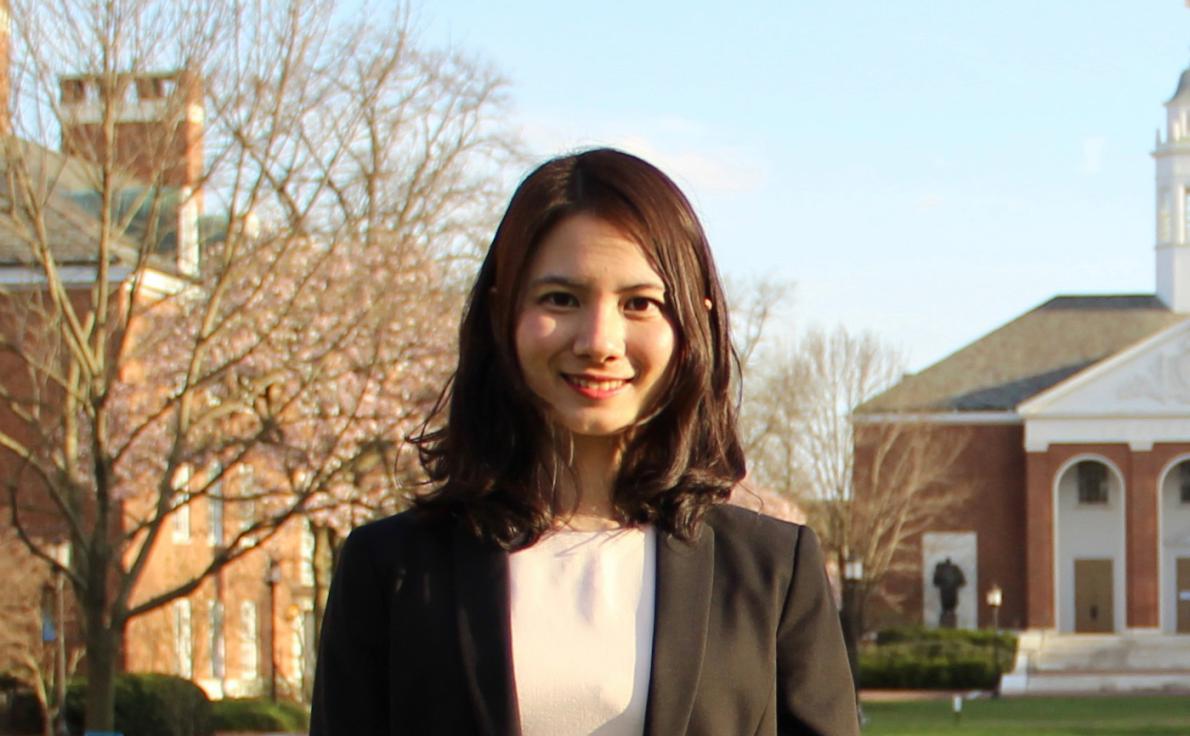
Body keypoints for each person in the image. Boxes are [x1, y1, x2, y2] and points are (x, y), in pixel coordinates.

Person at [310, 148, 859, 735]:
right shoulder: (392, 570)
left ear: (691, 325)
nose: (600, 341)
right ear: (503, 313)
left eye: (639, 304)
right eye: (560, 299)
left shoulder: (770, 571)